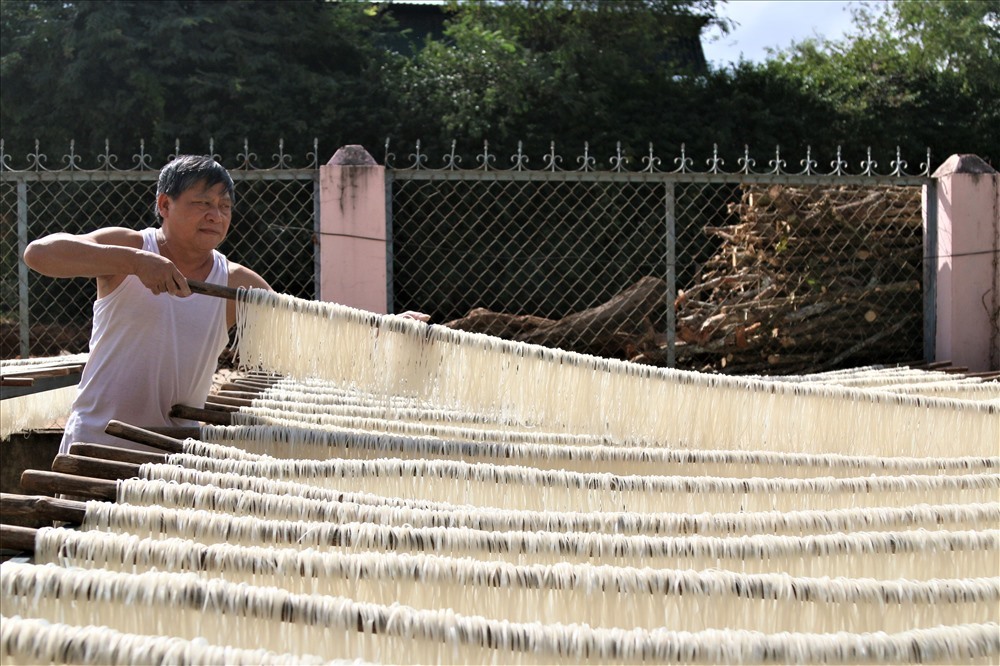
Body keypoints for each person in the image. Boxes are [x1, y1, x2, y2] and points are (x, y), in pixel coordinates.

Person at [23, 155, 271, 453]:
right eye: (202, 203)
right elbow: (38, 254)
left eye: (225, 206)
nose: (216, 216)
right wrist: (136, 262)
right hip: (95, 441)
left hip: (176, 456)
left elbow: (292, 343)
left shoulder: (236, 282)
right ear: (164, 205)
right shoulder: (131, 247)